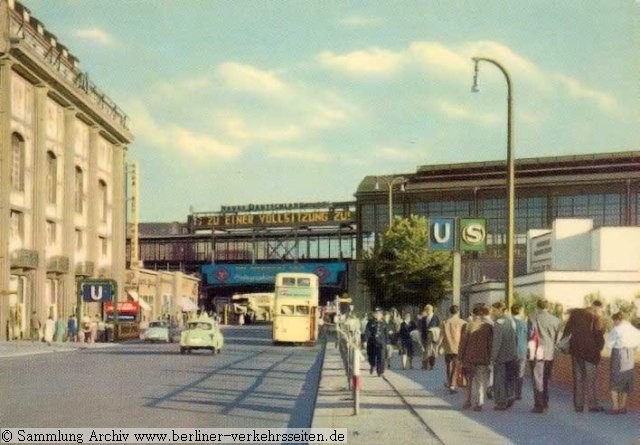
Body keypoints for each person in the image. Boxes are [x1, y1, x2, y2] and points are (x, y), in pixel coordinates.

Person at [561, 300, 606, 413]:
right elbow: (599, 338)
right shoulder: (595, 318)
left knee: (578, 378)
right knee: (591, 380)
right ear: (598, 308)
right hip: (590, 354)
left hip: (576, 352)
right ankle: (592, 405)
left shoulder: (576, 314)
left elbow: (567, 331)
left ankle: (579, 405)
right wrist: (598, 349)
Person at [528, 298, 561, 413]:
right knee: (546, 378)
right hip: (550, 352)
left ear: (538, 306)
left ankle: (539, 404)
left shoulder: (533, 318)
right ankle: (545, 400)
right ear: (549, 307)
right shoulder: (556, 320)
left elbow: (530, 335)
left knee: (538, 378)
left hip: (537, 351)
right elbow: (556, 338)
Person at [459, 305, 493, 411]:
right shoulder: (488, 327)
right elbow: (490, 344)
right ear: (482, 314)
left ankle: (468, 401)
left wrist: (460, 357)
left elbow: (463, 343)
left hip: (469, 357)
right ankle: (479, 402)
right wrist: (490, 357)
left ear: (473, 314)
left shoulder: (468, 326)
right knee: (480, 381)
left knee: (468, 380)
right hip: (483, 358)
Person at [606, 311, 640, 414]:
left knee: (615, 379)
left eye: (614, 321)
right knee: (626, 380)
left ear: (618, 319)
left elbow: (609, 344)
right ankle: (623, 406)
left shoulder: (617, 329)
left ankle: (615, 406)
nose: (614, 323)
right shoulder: (635, 330)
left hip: (618, 353)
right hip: (630, 354)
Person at [490, 301, 518, 410]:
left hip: (501, 356)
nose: (493, 312)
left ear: (500, 310)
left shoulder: (498, 323)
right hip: (511, 354)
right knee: (510, 378)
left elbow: (497, 341)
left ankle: (501, 402)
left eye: (494, 310)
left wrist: (493, 357)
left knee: (499, 379)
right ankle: (510, 395)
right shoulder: (510, 321)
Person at [441, 305, 467, 393]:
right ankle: (453, 384)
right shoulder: (462, 322)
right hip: (458, 347)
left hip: (447, 347)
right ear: (458, 311)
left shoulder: (445, 322)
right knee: (456, 366)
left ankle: (449, 382)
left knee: (448, 366)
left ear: (449, 312)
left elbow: (442, 335)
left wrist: (439, 347)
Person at [364, 307, 390, 377]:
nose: (377, 315)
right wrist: (365, 341)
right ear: (374, 314)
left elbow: (386, 334)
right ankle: (372, 365)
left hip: (381, 343)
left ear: (381, 315)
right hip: (372, 342)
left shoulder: (384, 323)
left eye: (379, 314)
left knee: (381, 357)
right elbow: (367, 332)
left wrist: (388, 343)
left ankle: (380, 371)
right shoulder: (370, 323)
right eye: (376, 313)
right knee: (371, 356)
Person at [511, 303, 528, 400]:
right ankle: (518, 393)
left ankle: (511, 391)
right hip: (522, 351)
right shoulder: (523, 324)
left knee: (511, 372)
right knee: (520, 373)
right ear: (520, 311)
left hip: (511, 352)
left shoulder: (509, 322)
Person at [419, 304, 441, 370]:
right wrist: (421, 337)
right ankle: (425, 365)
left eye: (428, 310)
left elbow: (438, 327)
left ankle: (431, 365)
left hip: (433, 337)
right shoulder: (423, 318)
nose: (427, 311)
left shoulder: (436, 317)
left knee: (433, 352)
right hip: (425, 337)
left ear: (431, 310)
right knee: (425, 351)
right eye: (426, 310)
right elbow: (421, 328)